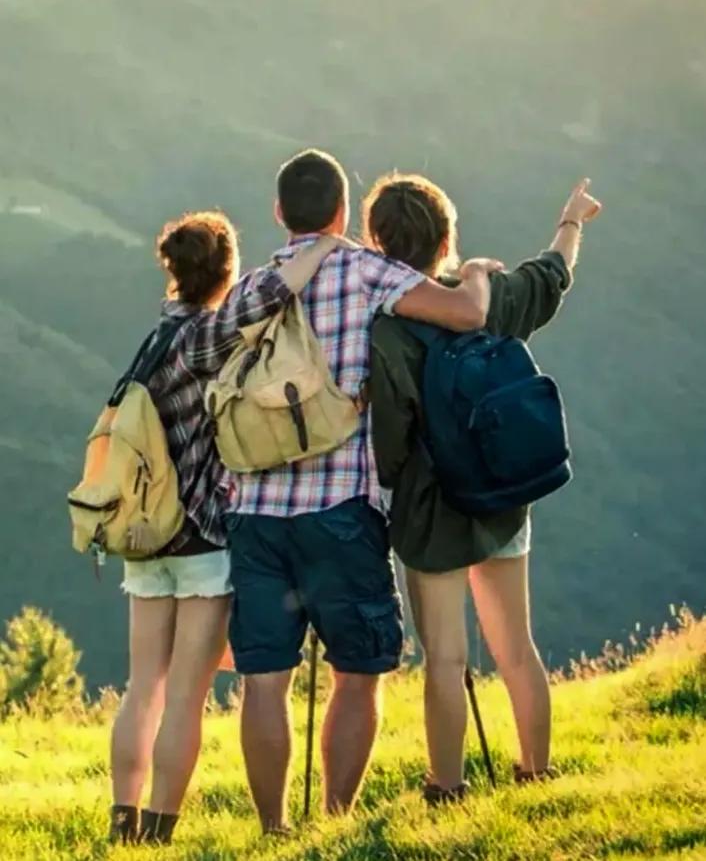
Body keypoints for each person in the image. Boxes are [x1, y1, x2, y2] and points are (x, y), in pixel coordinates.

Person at [222, 149, 496, 834]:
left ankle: (273, 829)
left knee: (265, 679)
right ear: (344, 213)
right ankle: (336, 818)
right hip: (341, 511)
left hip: (253, 514)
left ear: (280, 213)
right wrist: (479, 277)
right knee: (357, 672)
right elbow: (463, 315)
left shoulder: (250, 290)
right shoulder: (367, 270)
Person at [109, 211, 345, 845]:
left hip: (143, 535)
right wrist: (325, 242)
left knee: (142, 689)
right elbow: (272, 296)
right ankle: (158, 831)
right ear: (224, 271)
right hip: (200, 538)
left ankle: (121, 821)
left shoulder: (154, 339)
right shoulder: (204, 337)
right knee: (185, 693)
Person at [366, 174, 602, 803]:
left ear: (378, 244)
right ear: (448, 236)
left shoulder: (384, 329)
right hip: (501, 494)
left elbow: (388, 442)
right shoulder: (487, 293)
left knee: (445, 658)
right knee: (515, 644)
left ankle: (447, 786)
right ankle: (536, 770)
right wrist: (572, 217)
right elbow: (552, 274)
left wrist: (389, 489)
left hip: (430, 511)